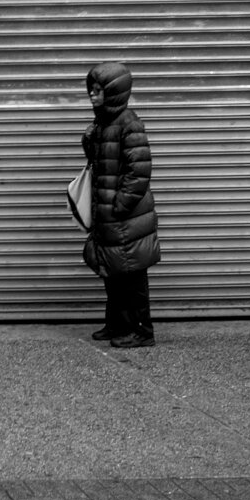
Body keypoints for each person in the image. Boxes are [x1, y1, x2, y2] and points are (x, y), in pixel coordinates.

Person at [81, 60, 159, 347]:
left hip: (126, 217)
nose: (92, 95)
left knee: (133, 276)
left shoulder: (129, 123)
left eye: (98, 90)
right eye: (91, 90)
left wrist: (120, 206)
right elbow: (101, 165)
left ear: (113, 92)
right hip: (109, 215)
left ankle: (141, 331)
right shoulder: (104, 124)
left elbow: (139, 171)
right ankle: (116, 325)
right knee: (112, 272)